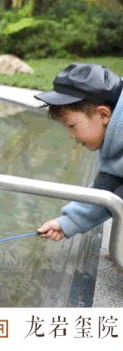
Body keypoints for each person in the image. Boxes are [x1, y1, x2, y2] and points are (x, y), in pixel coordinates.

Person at [35, 63, 123, 242]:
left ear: (103, 115)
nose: (71, 135)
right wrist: (66, 222)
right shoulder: (114, 141)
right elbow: (108, 189)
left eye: (72, 126)